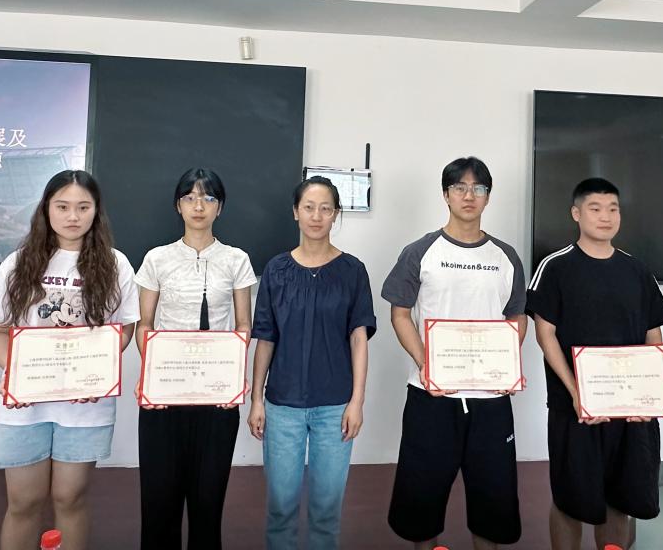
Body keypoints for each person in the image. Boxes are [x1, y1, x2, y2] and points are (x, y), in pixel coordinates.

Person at [0, 170, 140, 550]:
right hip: (24, 403)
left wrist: (96, 372)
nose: (73, 216)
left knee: (70, 497)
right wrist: (18, 375)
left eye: (83, 207)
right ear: (46, 209)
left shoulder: (115, 264)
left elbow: (124, 329)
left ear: (96, 211)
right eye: (63, 206)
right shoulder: (18, 263)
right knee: (23, 501)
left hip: (84, 404)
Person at [383, 156, 527, 550]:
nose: (469, 195)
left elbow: (517, 316)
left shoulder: (506, 256)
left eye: (478, 188)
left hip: (491, 400)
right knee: (422, 495)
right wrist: (425, 363)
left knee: (493, 498)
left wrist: (507, 363)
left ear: (488, 197)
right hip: (432, 396)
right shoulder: (420, 251)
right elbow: (399, 314)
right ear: (446, 195)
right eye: (459, 187)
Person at [526, 177, 663, 550]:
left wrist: (651, 396)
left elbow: (653, 335)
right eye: (595, 208)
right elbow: (545, 335)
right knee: (571, 498)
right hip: (575, 407)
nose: (605, 216)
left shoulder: (637, 270)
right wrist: (576, 392)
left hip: (630, 409)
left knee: (622, 499)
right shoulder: (555, 266)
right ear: (576, 214)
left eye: (613, 209)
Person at [248, 175, 377, 550]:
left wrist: (357, 401)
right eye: (309, 207)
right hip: (282, 405)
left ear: (336, 214)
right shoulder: (276, 270)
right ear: (295, 212)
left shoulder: (352, 271)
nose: (317, 216)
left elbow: (359, 338)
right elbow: (266, 338)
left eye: (325, 208)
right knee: (281, 506)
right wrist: (257, 399)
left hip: (335, 405)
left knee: (326, 509)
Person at [134, 167, 257, 550]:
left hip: (216, 396)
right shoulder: (157, 258)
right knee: (159, 501)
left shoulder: (236, 259)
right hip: (164, 395)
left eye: (208, 198)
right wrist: (155, 375)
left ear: (220, 207)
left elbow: (243, 325)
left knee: (208, 500)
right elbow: (144, 325)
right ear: (178, 205)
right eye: (189, 198)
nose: (198, 206)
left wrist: (232, 375)